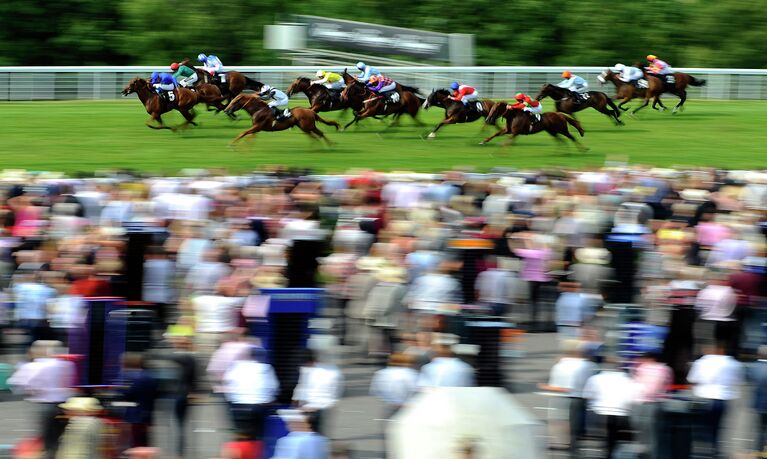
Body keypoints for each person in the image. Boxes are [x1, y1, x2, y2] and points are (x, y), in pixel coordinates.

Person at [8, 341, 75, 459]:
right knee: (60, 437)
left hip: (44, 405)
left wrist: (32, 390)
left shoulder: (34, 366)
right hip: (65, 405)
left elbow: (17, 383)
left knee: (47, 438)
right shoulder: (67, 364)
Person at [687, 342, 744, 458]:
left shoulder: (701, 362)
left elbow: (692, 379)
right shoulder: (734, 364)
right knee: (717, 425)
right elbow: (738, 381)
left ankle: (701, 449)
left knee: (701, 426)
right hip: (722, 398)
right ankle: (715, 449)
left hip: (703, 397)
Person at [223, 346, 280, 441]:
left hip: (238, 406)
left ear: (249, 356)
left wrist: (231, 399)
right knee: (258, 435)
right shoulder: (266, 367)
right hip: (259, 406)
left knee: (241, 434)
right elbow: (274, 387)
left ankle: (240, 450)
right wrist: (270, 400)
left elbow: (227, 382)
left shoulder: (236, 365)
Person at [583, 361, 635, 459]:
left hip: (598, 413)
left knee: (604, 436)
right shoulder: (628, 380)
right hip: (621, 414)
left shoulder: (595, 378)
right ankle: (611, 452)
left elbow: (587, 395)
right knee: (614, 437)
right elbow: (632, 398)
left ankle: (605, 452)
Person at [292, 350, 344, 435]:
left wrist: (297, 404)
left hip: (313, 407)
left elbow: (302, 387)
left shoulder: (308, 370)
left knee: (310, 433)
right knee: (319, 434)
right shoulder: (334, 370)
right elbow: (338, 391)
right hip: (324, 407)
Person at [119, 352, 158, 448]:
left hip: (137, 416)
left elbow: (129, 395)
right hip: (147, 415)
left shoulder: (139, 378)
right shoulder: (148, 376)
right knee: (144, 442)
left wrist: (120, 390)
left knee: (138, 443)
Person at [369, 353, 419, 418]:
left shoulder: (381, 373)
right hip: (408, 408)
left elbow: (375, 391)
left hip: (390, 406)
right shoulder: (410, 373)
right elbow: (415, 389)